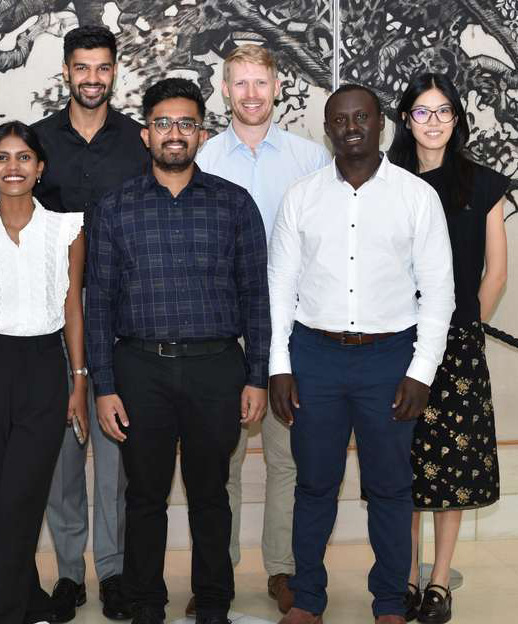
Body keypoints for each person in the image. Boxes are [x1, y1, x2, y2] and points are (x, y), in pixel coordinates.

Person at [268, 84, 455, 624]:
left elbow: (439, 292)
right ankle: (307, 599)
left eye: (362, 117)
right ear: (328, 129)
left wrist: (421, 371)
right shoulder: (301, 197)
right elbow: (280, 286)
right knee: (314, 484)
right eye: (340, 119)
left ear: (381, 126)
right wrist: (280, 364)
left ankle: (391, 602)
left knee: (392, 487)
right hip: (314, 357)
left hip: (389, 358)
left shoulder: (416, 197)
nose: (352, 127)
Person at [86, 77, 270, 624]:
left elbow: (256, 296)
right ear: (146, 135)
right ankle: (146, 602)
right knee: (144, 495)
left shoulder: (234, 204)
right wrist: (104, 385)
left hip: (217, 367)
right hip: (140, 367)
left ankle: (213, 600)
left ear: (202, 134)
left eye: (186, 124)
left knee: (212, 493)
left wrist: (257, 376)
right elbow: (99, 301)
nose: (174, 134)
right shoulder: (115, 208)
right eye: (163, 123)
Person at [195, 43, 330, 617]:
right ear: (224, 91)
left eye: (260, 83)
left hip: (293, 332)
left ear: (277, 88)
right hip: (224, 331)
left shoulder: (310, 159)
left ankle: (283, 570)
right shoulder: (202, 160)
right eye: (239, 84)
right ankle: (217, 575)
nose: (250, 94)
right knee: (219, 458)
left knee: (286, 456)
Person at [31, 24, 148, 621]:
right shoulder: (37, 141)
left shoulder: (137, 141)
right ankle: (69, 574)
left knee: (114, 457)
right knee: (61, 455)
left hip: (123, 320)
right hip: (51, 320)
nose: (93, 78)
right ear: (67, 71)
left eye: (103, 68)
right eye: (83, 67)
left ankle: (115, 571)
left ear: (114, 72)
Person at [0, 121, 87, 624]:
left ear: (40, 167)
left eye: (23, 157)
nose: (13, 166)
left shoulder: (67, 229)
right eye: (2, 158)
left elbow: (73, 308)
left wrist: (79, 381)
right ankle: (25, 597)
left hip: (44, 369)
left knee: (22, 497)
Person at [387, 73, 508, 624]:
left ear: (457, 119)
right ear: (405, 119)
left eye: (443, 112)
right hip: (393, 341)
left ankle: (439, 580)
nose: (432, 122)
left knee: (452, 465)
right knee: (403, 464)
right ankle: (405, 576)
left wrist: (464, 328)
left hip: (456, 345)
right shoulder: (386, 179)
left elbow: (496, 272)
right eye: (421, 111)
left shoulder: (482, 183)